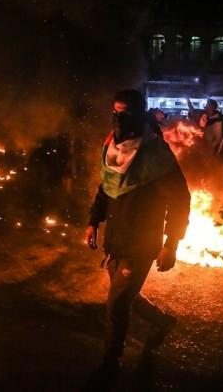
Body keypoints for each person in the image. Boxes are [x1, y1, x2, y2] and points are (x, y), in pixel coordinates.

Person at [84, 89, 191, 384]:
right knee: (125, 297)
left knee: (116, 305)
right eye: (115, 112)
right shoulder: (112, 147)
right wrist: (94, 221)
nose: (118, 118)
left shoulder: (155, 153)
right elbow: (105, 188)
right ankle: (162, 321)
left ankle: (111, 362)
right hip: (115, 239)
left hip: (141, 243)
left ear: (139, 113)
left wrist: (172, 244)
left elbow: (181, 199)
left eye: (125, 113)